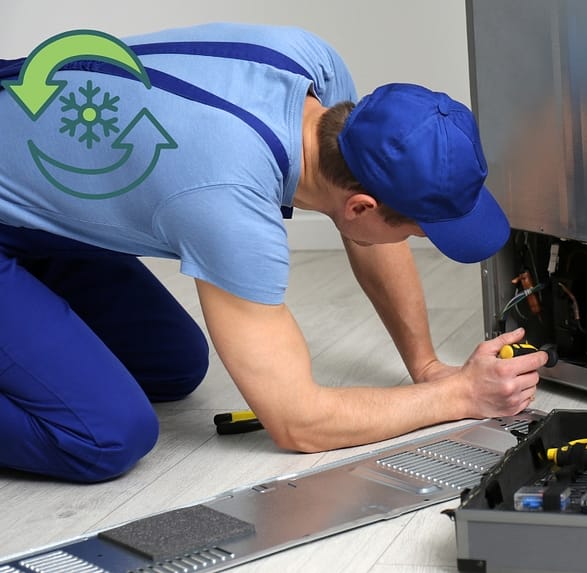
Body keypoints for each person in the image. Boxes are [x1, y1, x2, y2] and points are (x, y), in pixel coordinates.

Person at [0, 23, 547, 483]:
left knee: (173, 366)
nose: (412, 240)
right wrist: (460, 398)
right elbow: (299, 423)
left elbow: (369, 234)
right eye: (416, 231)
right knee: (107, 435)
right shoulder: (229, 200)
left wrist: (428, 368)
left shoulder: (318, 76)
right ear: (361, 206)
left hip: (36, 212)